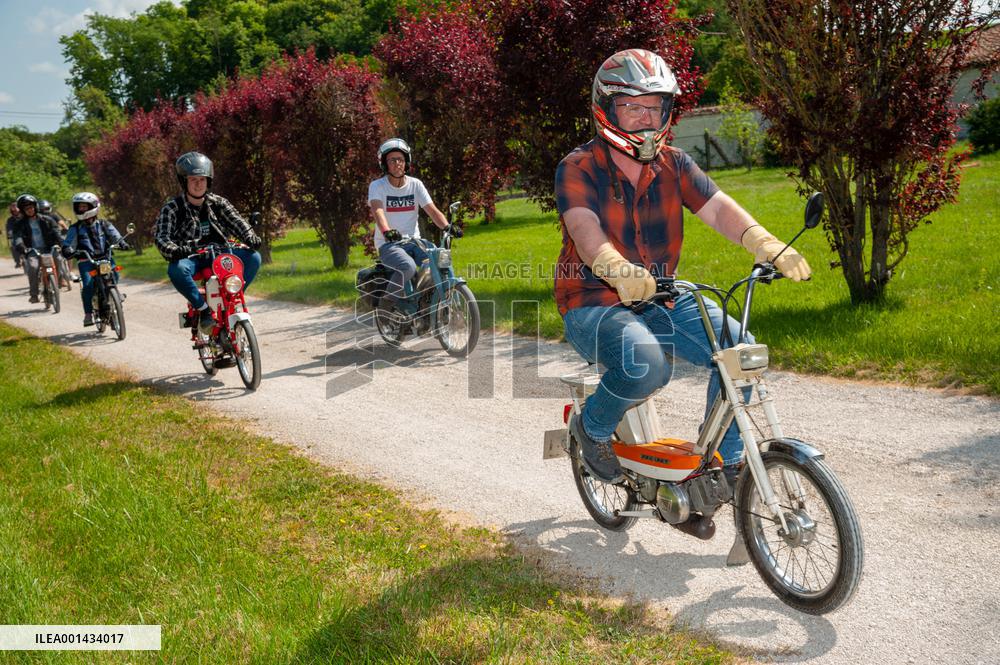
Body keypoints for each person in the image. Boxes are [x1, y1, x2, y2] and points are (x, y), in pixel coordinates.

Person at [555, 49, 811, 483]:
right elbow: (584, 228)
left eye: (654, 107)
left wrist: (763, 241)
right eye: (632, 107)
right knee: (647, 366)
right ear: (606, 109)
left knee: (740, 351)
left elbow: (718, 208)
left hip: (660, 295)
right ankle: (591, 428)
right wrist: (614, 267)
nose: (646, 118)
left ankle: (725, 464)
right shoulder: (578, 167)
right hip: (593, 302)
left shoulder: (674, 164)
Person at [154, 151, 261, 334]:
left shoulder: (219, 203)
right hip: (191, 257)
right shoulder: (172, 208)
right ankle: (203, 309)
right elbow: (162, 238)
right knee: (176, 269)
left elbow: (237, 222)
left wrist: (250, 237)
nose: (198, 184)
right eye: (193, 179)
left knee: (253, 257)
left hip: (220, 253)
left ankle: (232, 298)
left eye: (202, 179)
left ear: (208, 181)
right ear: (184, 181)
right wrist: (176, 250)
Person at [367, 138, 461, 313]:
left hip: (414, 241)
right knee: (408, 266)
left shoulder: (415, 184)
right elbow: (378, 211)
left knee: (440, 259)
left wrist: (447, 227)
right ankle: (386, 305)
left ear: (406, 162)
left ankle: (429, 302)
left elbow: (432, 210)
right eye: (392, 160)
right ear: (384, 164)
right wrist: (387, 232)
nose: (397, 163)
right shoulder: (377, 186)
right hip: (389, 244)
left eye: (400, 159)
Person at [61, 192, 129, 327]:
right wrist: (68, 250)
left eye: (84, 207)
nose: (81, 209)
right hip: (86, 262)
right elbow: (68, 243)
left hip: (105, 258)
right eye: (79, 207)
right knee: (87, 286)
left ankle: (114, 294)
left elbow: (115, 235)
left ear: (93, 206)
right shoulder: (75, 228)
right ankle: (88, 313)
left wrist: (122, 243)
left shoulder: (104, 224)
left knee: (114, 274)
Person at [11, 194, 63, 303]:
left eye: (31, 207)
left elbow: (56, 232)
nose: (29, 210)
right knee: (33, 267)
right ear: (22, 210)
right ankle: (34, 294)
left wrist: (62, 243)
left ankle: (57, 282)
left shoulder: (47, 219)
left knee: (58, 259)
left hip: (49, 248)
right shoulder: (19, 224)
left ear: (35, 207)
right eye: (26, 209)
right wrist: (22, 247)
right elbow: (17, 237)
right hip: (32, 250)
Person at [6, 202, 22, 268]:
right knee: (12, 246)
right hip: (16, 236)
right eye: (14, 210)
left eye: (16, 209)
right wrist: (9, 234)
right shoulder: (10, 220)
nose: (15, 211)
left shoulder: (25, 216)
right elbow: (9, 228)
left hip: (27, 234)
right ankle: (18, 261)